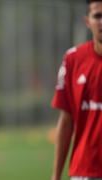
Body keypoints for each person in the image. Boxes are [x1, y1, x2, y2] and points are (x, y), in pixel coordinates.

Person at [51, 1, 102, 180]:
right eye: (98, 16)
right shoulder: (73, 59)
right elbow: (66, 120)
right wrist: (56, 175)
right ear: (87, 21)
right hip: (84, 171)